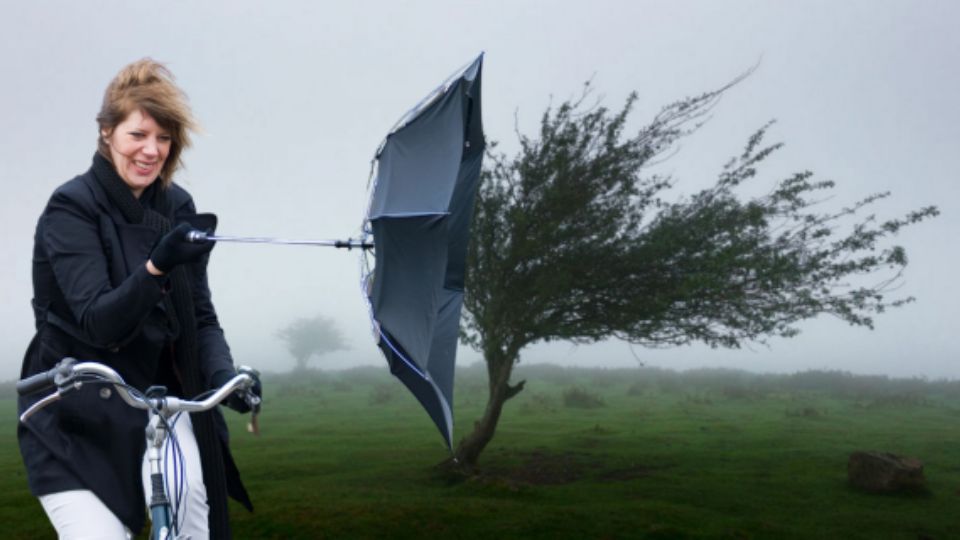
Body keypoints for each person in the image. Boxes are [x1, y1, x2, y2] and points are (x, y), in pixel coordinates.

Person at [17, 58, 259, 539]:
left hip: (157, 404)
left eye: (164, 139)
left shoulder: (177, 207)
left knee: (194, 514)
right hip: (75, 414)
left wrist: (224, 377)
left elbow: (200, 317)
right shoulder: (70, 208)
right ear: (107, 132)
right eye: (138, 135)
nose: (152, 151)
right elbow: (98, 322)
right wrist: (156, 267)